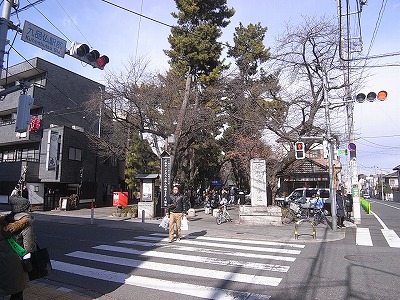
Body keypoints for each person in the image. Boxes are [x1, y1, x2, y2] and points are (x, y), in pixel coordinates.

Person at [0, 193, 37, 300]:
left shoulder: (4, 221)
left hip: (2, 262)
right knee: (17, 293)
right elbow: (29, 248)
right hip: (16, 265)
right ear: (24, 209)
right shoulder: (25, 224)